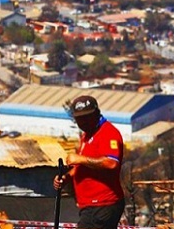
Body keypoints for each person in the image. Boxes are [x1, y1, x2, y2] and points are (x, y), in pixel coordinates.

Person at [54, 95, 125, 229]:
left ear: (96, 113)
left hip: (102, 204)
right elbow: (84, 166)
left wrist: (80, 159)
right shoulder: (87, 135)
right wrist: (66, 177)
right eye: (79, 119)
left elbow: (111, 163)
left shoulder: (108, 133)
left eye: (86, 117)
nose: (82, 122)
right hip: (91, 205)